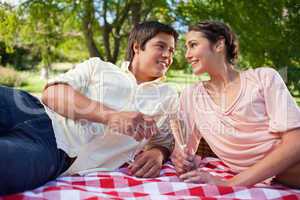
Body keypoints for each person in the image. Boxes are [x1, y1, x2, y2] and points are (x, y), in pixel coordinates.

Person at [0, 21, 179, 195]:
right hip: (30, 109)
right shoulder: (98, 67)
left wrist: (159, 153)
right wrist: (110, 116)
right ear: (137, 47)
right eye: (161, 46)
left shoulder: (168, 95)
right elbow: (52, 94)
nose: (167, 55)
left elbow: (167, 138)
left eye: (171, 50)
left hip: (53, 151)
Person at [171, 21, 300, 188]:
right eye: (186, 47)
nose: (187, 54)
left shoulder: (264, 78)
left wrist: (230, 183)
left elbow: (296, 142)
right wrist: (183, 161)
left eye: (193, 45)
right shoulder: (191, 95)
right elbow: (181, 151)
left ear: (218, 44)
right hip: (281, 177)